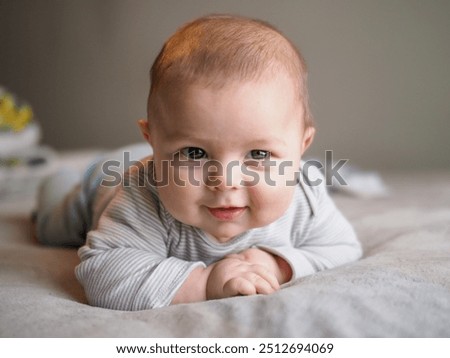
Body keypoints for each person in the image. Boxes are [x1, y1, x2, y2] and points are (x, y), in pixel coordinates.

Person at [35, 14, 362, 310]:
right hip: (105, 181)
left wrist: (277, 263)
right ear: (154, 141)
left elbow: (342, 246)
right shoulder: (144, 198)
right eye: (195, 153)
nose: (226, 180)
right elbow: (104, 274)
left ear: (301, 148)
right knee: (53, 228)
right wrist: (206, 283)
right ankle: (60, 181)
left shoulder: (305, 196)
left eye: (259, 155)